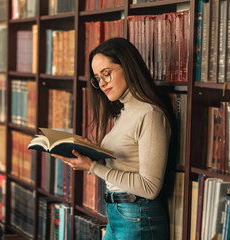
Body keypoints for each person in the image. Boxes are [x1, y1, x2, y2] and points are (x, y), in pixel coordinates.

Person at [52, 37, 176, 240]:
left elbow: (150, 187)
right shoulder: (124, 112)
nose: (102, 83)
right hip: (118, 212)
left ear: (127, 66)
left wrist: (93, 167)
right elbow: (125, 164)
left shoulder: (150, 114)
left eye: (106, 74)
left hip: (138, 216)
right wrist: (93, 153)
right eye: (97, 78)